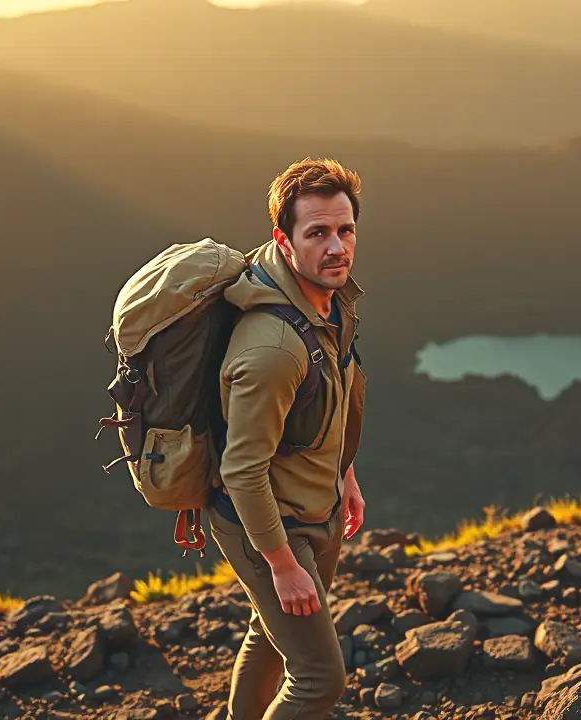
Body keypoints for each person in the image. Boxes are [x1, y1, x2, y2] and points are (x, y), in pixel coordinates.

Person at [207, 158, 368, 719]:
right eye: (317, 233)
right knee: (320, 678)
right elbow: (242, 470)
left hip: (312, 508)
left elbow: (328, 404)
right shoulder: (273, 348)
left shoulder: (327, 304)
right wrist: (281, 564)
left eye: (345, 230)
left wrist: (343, 475)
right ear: (284, 239)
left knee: (268, 634)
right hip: (269, 525)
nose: (337, 247)